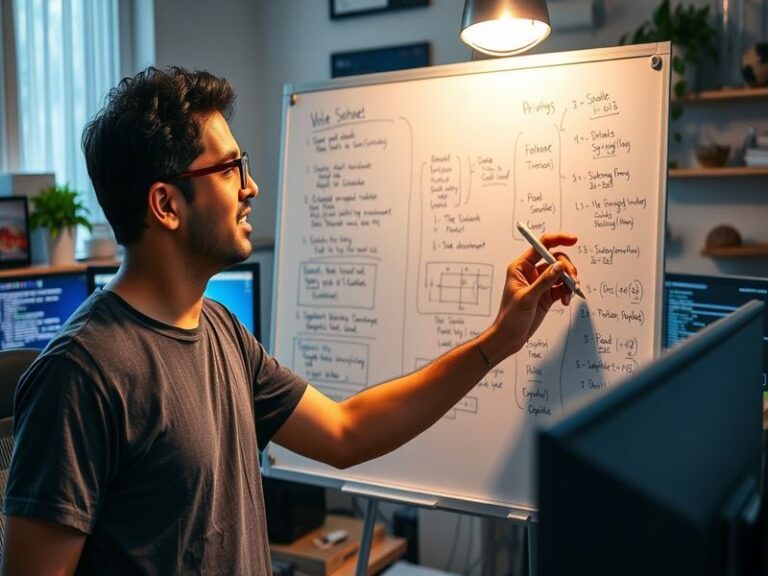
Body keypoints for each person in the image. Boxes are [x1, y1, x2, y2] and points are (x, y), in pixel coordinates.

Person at [1, 66, 579, 575]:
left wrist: (495, 344)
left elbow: (346, 432)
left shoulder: (222, 330)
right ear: (167, 205)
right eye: (229, 170)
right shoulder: (81, 375)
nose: (251, 186)